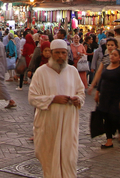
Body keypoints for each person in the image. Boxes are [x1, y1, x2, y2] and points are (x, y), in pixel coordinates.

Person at [28, 39, 85, 178]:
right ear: (51, 54)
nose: (60, 56)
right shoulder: (41, 72)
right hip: (49, 125)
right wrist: (53, 99)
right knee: (49, 157)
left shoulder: (72, 71)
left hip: (68, 125)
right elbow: (32, 97)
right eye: (57, 53)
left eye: (63, 53)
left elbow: (81, 92)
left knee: (69, 158)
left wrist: (78, 99)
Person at [94, 48, 120, 149]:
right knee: (106, 118)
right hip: (105, 98)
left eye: (115, 55)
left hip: (116, 98)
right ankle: (109, 140)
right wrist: (97, 92)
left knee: (114, 117)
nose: (112, 56)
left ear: (119, 58)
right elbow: (101, 80)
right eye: (111, 54)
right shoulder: (107, 67)